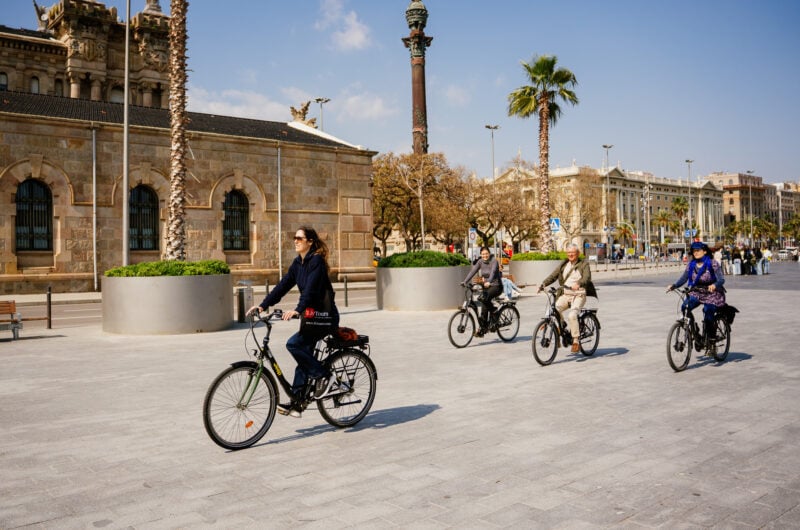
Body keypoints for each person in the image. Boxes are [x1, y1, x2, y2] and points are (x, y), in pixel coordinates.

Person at [248, 226, 339, 418]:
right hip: (311, 318)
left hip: (324, 317)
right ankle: (298, 402)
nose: (295, 241)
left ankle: (325, 376)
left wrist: (297, 310)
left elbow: (311, 291)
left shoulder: (317, 262)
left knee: (294, 344)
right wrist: (263, 306)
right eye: (294, 237)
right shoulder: (298, 263)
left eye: (299, 237)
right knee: (302, 354)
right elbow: (283, 286)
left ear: (310, 242)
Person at [537, 244, 598, 353]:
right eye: (569, 253)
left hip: (579, 295)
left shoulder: (584, 264)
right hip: (565, 295)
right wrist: (543, 284)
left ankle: (575, 340)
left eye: (573, 253)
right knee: (553, 310)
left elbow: (587, 277)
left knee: (572, 315)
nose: (570, 255)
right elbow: (553, 275)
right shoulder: (564, 264)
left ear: (577, 254)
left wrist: (579, 283)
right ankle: (562, 328)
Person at [666, 241, 726, 347]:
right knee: (685, 307)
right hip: (697, 291)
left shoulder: (712, 263)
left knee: (708, 311)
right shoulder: (691, 265)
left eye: (698, 250)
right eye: (694, 251)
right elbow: (684, 278)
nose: (696, 253)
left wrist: (715, 285)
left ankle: (711, 337)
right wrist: (674, 285)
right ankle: (695, 331)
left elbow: (721, 279)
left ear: (704, 251)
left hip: (712, 293)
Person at [462, 246, 502, 336]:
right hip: (487, 286)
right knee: (484, 306)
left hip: (496, 286)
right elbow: (472, 271)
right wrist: (465, 281)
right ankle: (483, 329)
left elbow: (493, 273)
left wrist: (489, 281)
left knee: (484, 298)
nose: (485, 255)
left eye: (486, 253)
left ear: (489, 253)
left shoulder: (494, 261)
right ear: (481, 254)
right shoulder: (480, 262)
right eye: (483, 254)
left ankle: (494, 311)